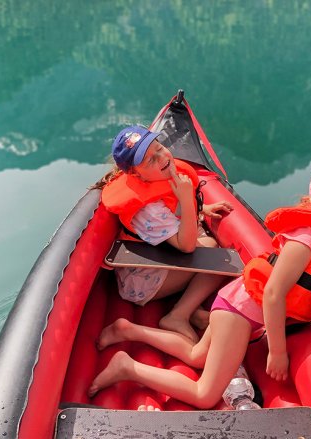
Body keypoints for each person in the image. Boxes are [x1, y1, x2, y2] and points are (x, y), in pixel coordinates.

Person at [88, 158, 311, 409]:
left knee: (198, 356)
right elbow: (273, 293)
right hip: (239, 312)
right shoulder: (308, 235)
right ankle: (128, 367)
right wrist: (278, 352)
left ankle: (128, 329)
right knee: (205, 395)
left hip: (237, 304)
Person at [94, 125, 233, 342]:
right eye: (150, 160)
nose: (161, 158)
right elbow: (186, 246)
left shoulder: (160, 177)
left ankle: (190, 311)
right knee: (215, 254)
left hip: (164, 258)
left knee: (206, 243)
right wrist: (187, 200)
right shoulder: (147, 209)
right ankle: (179, 315)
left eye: (159, 148)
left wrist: (201, 209)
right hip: (143, 281)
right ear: (135, 174)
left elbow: (173, 208)